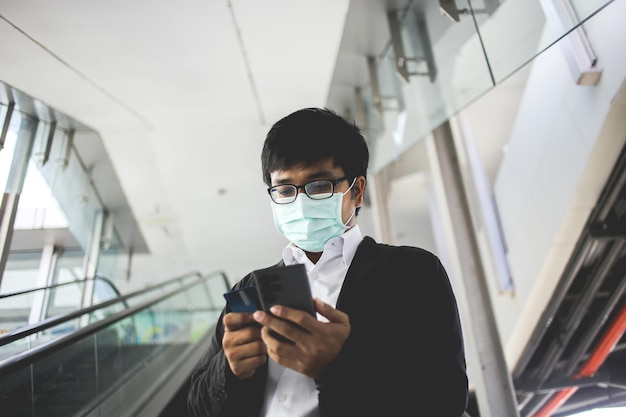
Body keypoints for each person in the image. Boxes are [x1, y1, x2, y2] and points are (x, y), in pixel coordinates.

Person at [187, 107, 468, 416]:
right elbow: (197, 406)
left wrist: (339, 366)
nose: (300, 201)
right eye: (283, 189)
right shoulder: (251, 288)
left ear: (357, 191)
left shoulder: (411, 273)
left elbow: (446, 401)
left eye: (318, 186)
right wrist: (229, 370)